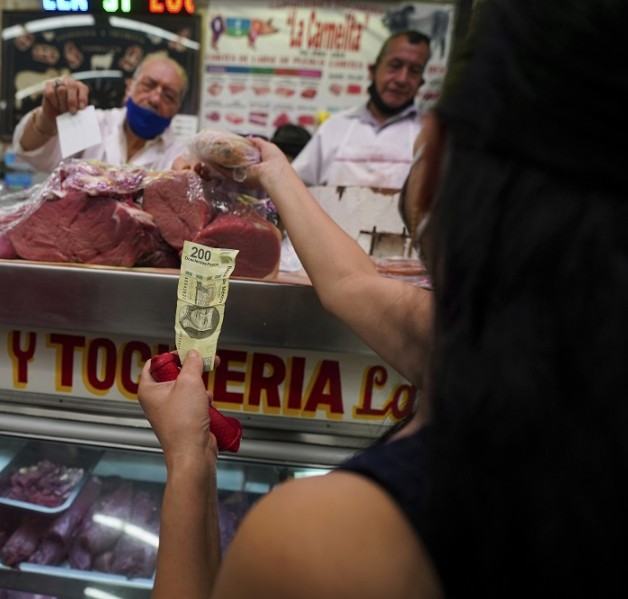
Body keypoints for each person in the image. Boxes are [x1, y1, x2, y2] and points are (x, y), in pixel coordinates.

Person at [137, 0, 628, 597]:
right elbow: (355, 286)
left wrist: (190, 461)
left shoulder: (324, 543)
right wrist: (272, 171)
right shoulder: (514, 350)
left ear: (433, 161)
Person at [291, 30, 431, 188]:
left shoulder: (429, 136)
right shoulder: (334, 127)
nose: (402, 79)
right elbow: (294, 187)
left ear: (421, 82)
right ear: (373, 71)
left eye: (414, 71)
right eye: (395, 65)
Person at [10, 53, 189, 173]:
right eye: (148, 85)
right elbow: (33, 154)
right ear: (129, 88)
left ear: (177, 109)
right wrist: (47, 120)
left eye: (169, 95)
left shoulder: (180, 154)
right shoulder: (93, 123)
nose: (156, 99)